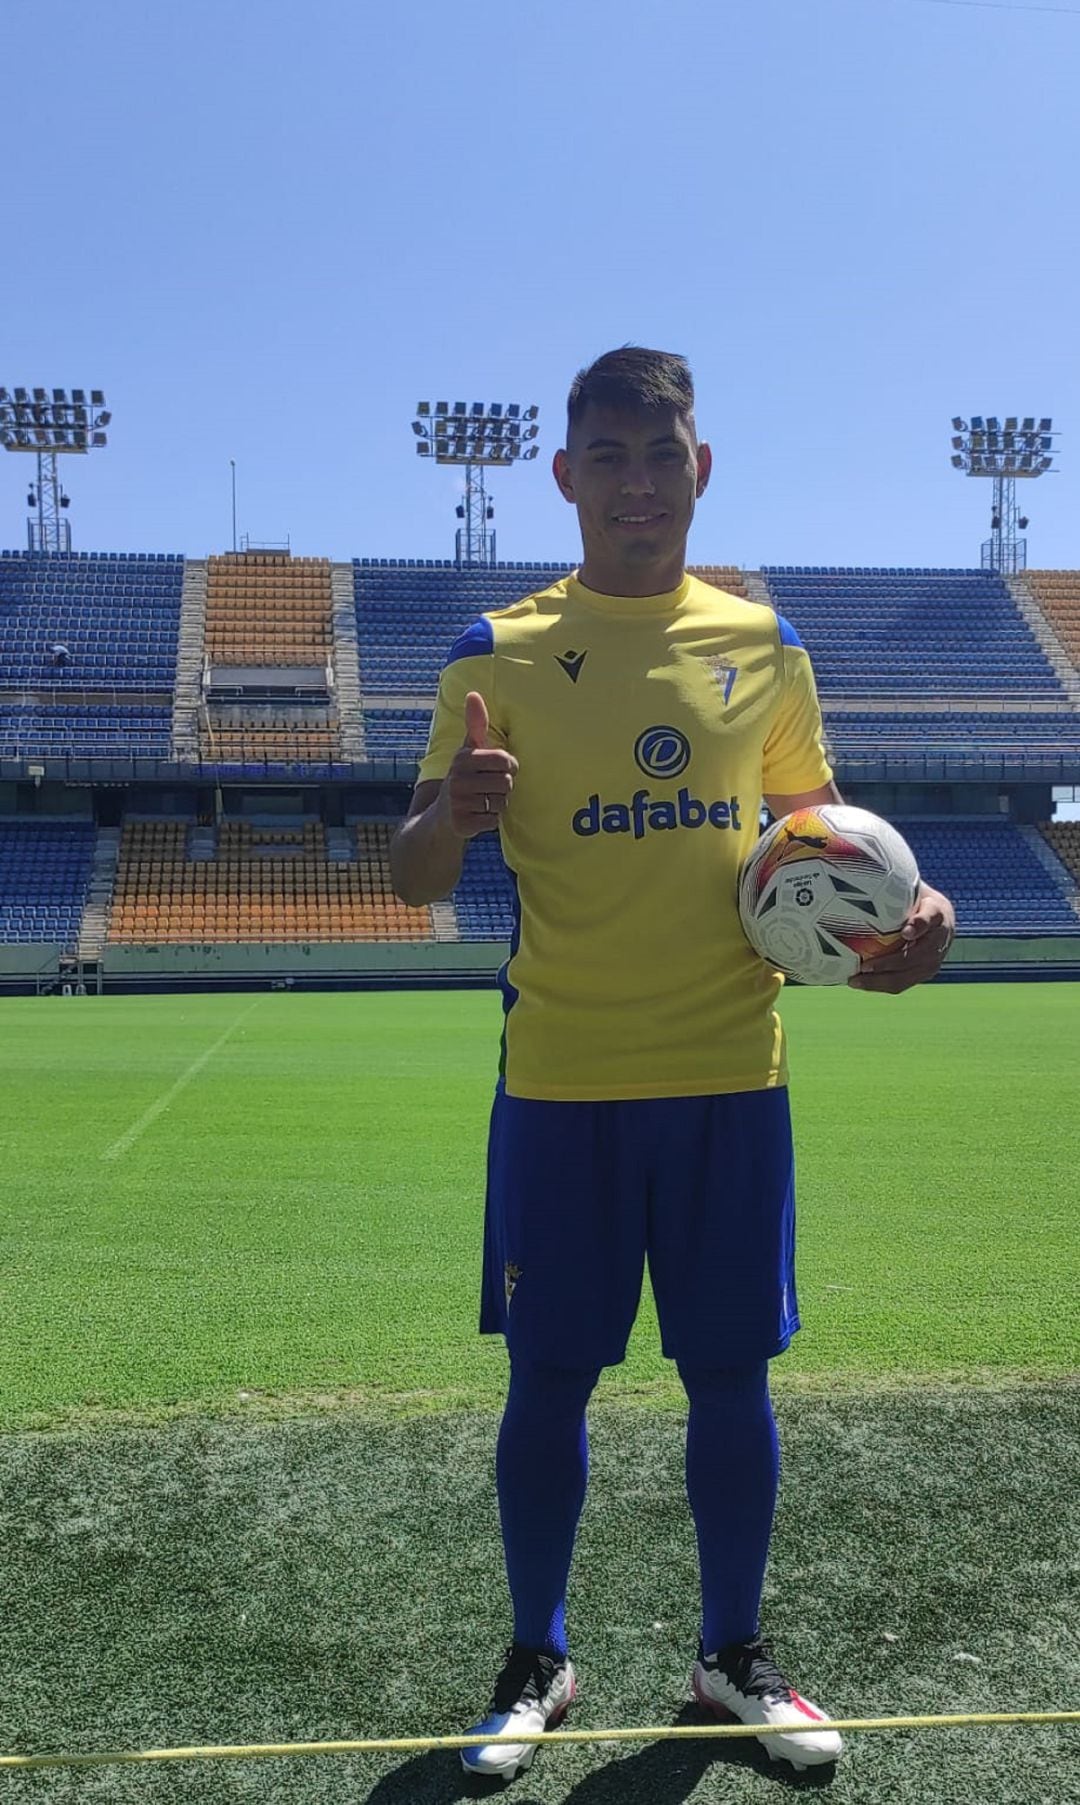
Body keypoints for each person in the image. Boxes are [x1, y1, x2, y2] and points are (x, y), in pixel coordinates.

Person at [389, 346, 955, 1783]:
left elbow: (821, 843)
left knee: (730, 1375)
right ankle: (538, 1655)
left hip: (730, 1076)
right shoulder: (493, 650)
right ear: (566, 475)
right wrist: (453, 812)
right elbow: (406, 875)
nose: (637, 482)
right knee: (548, 1381)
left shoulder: (763, 646)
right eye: (610, 456)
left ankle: (733, 1655)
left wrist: (913, 915)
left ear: (697, 470)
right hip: (561, 1085)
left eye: (663, 454)